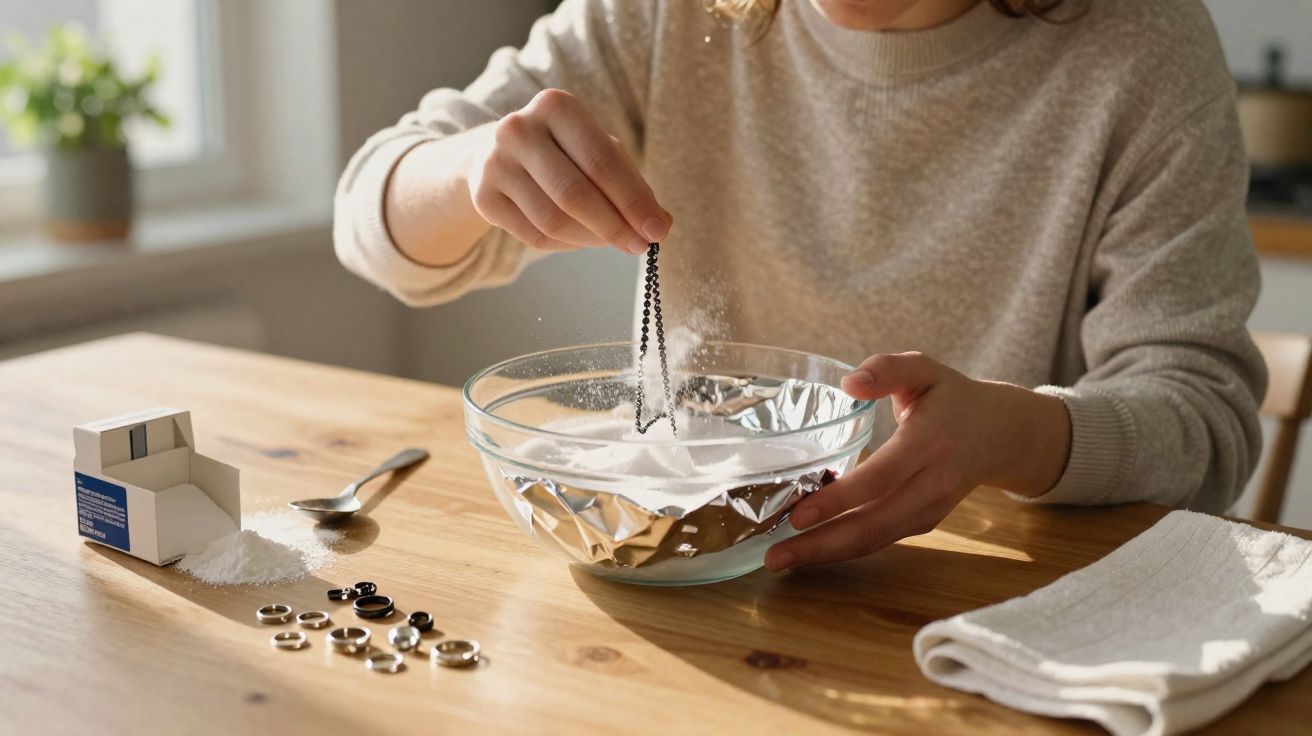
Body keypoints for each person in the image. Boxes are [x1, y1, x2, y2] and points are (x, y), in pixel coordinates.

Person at [334, 0, 1266, 573]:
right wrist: (468, 170)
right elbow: (370, 229)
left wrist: (1007, 434)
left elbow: (1207, 426)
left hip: (983, 604)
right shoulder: (661, 16)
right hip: (687, 574)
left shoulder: (1143, 48)